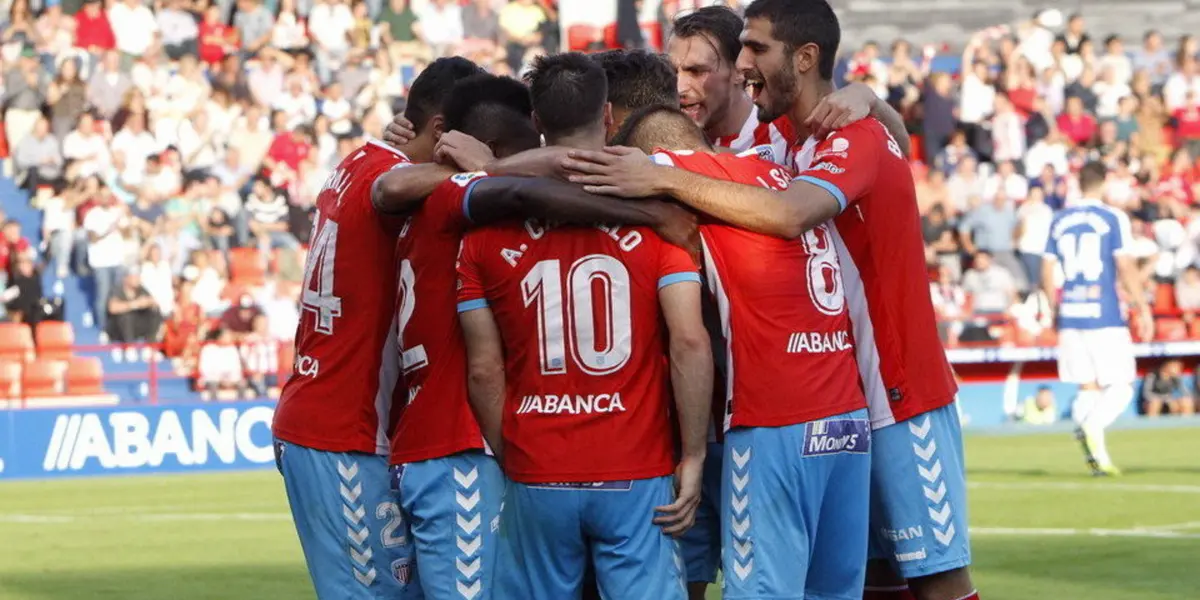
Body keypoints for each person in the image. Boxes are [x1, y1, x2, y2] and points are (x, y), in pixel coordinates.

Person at [562, 2, 977, 599]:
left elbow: (789, 213)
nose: (741, 65)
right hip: (837, 397)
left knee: (937, 577)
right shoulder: (776, 142)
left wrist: (868, 98)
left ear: (804, 58)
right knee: (873, 577)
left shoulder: (851, 135)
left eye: (752, 50)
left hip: (897, 386)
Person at [373, 69, 699, 600]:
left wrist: (517, 456)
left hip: (509, 458)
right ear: (607, 117)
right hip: (609, 463)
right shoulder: (656, 228)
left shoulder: (474, 233)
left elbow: (486, 368)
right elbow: (689, 342)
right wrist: (695, 453)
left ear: (541, 122)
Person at [614, 102, 872, 600]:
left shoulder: (677, 169)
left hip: (774, 420)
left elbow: (585, 169)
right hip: (846, 419)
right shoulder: (777, 171)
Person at [270, 57, 489, 600]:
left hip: (335, 418)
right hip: (342, 427)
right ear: (442, 130)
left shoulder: (360, 158)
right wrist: (489, 168)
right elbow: (391, 190)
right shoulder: (389, 178)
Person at [1042, 161, 1152, 477]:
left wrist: (1053, 308)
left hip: (1071, 312)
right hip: (1103, 313)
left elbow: (1046, 268)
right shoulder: (1112, 217)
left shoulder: (1059, 219)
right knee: (1122, 386)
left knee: (1088, 386)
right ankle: (1091, 425)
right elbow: (1125, 266)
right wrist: (1142, 307)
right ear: (1103, 183)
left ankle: (1096, 457)